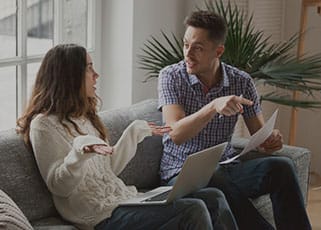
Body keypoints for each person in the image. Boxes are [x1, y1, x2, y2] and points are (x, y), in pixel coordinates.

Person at [16, 44, 238, 230]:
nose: (96, 75)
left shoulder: (83, 117)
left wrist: (133, 133)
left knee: (213, 197)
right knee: (193, 209)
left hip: (126, 200)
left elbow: (108, 169)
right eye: (89, 68)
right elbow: (59, 187)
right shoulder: (43, 125)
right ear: (69, 76)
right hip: (100, 217)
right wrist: (78, 153)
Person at [158, 10, 311, 230]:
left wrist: (271, 140)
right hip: (180, 174)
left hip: (226, 168)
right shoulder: (171, 76)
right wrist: (212, 106)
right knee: (215, 178)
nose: (188, 54)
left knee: (282, 167)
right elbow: (176, 133)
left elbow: (259, 134)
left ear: (218, 51)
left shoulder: (241, 81)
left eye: (198, 48)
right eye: (185, 45)